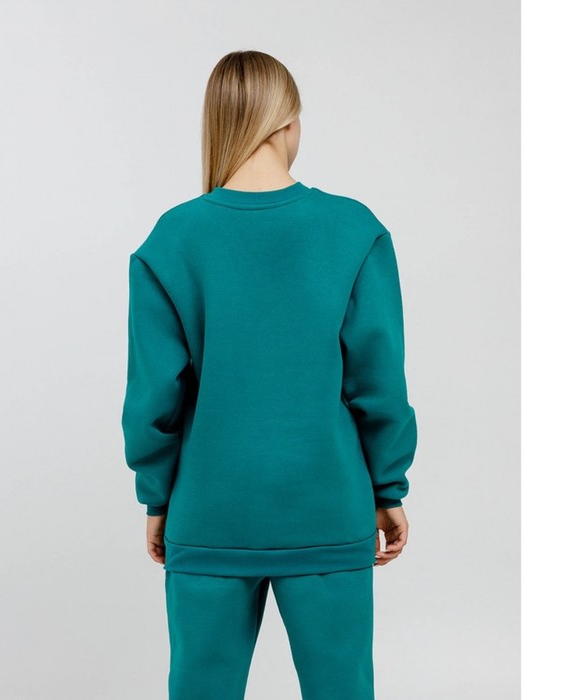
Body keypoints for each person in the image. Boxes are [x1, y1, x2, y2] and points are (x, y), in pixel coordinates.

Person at [121, 49, 418, 700]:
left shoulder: (172, 239)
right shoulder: (354, 230)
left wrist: (158, 498)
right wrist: (387, 488)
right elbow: (378, 384)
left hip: (209, 512)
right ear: (288, 123)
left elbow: (152, 400)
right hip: (328, 507)